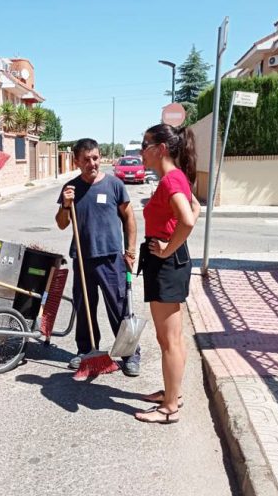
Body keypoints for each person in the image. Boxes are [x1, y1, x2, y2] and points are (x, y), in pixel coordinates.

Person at [55, 138, 140, 376]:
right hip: (82, 259)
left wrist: (130, 251)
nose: (92, 163)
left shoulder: (114, 185)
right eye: (86, 160)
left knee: (119, 309)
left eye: (95, 158)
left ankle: (130, 355)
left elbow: (129, 218)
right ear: (76, 162)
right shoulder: (70, 188)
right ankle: (86, 351)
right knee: (84, 309)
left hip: (111, 258)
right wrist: (65, 205)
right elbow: (61, 224)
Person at [135, 124, 201, 424]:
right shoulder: (176, 178)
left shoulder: (172, 179)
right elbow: (195, 208)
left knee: (169, 339)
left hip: (166, 264)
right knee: (172, 337)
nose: (141, 151)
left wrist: (166, 249)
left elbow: (187, 219)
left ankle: (169, 408)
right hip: (169, 261)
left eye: (145, 145)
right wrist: (171, 245)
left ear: (161, 148)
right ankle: (173, 393)